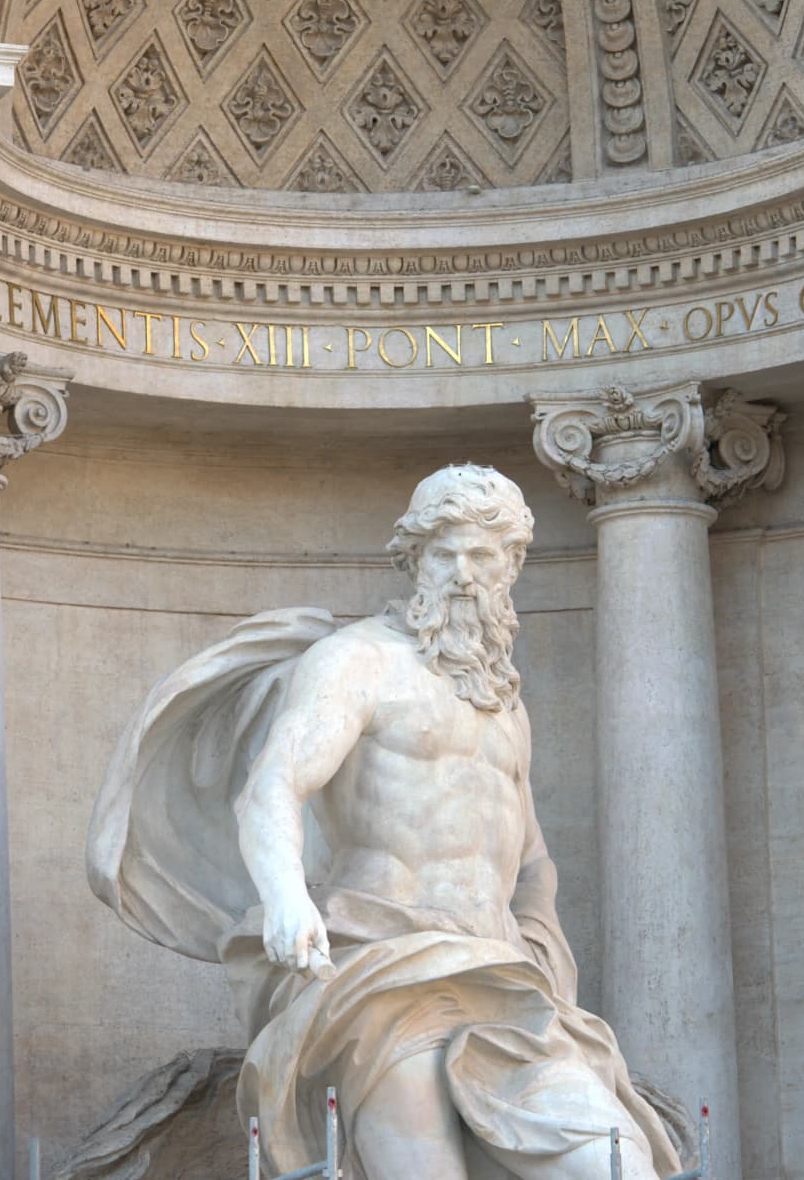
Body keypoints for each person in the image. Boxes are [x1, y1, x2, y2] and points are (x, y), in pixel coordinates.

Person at [89, 465, 682, 1180]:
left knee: (619, 1162)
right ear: (413, 561)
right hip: (380, 967)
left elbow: (531, 863)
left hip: (506, 984)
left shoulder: (508, 707)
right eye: (444, 553)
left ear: (512, 565)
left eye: (482, 554)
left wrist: (544, 954)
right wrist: (284, 896)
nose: (463, 573)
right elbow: (272, 785)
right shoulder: (357, 660)